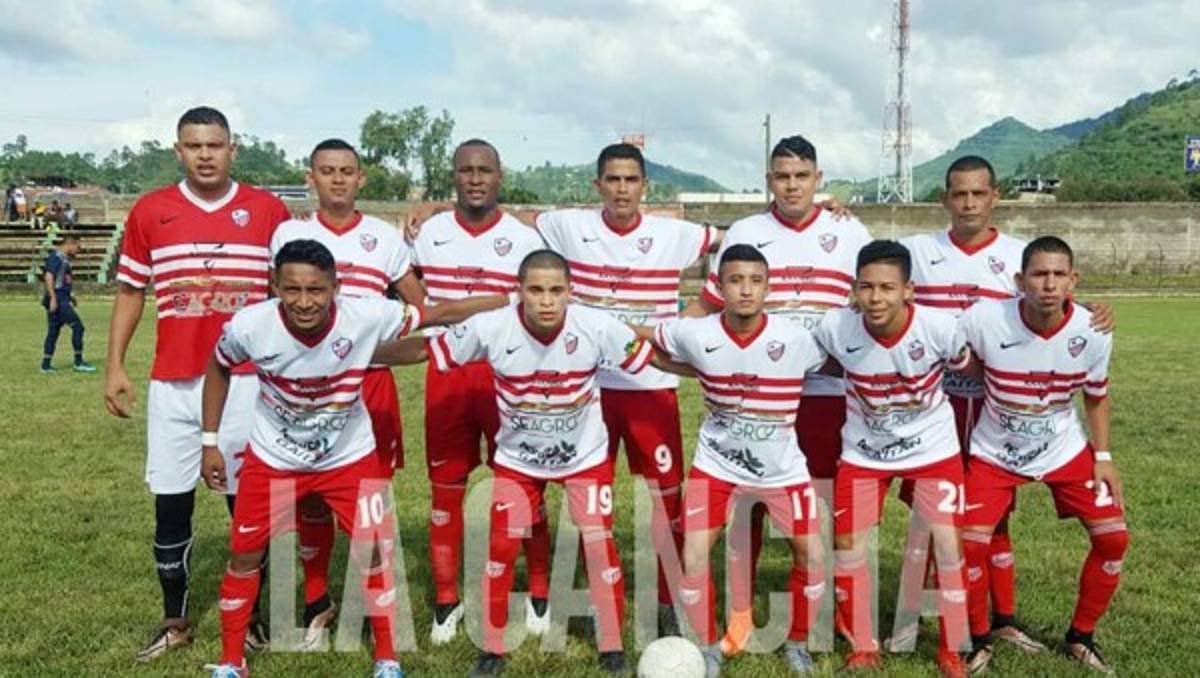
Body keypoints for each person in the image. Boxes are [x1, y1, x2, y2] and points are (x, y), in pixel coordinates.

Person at [269, 137, 512, 648]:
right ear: (310, 177)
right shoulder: (288, 233)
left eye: (347, 171)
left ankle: (375, 603)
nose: (337, 180)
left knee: (370, 498)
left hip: (370, 379)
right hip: (304, 383)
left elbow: (421, 308)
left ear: (362, 179)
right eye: (327, 171)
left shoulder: (384, 238)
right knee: (310, 497)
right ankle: (317, 602)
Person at [372, 249, 651, 676]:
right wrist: (357, 351)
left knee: (599, 544)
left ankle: (611, 644)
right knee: (500, 547)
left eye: (556, 290)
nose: (545, 300)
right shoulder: (491, 326)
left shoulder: (597, 326)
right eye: (535, 290)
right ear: (518, 291)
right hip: (518, 461)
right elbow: (426, 351)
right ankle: (492, 648)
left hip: (584, 457)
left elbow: (652, 357)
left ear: (570, 292)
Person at [896, 156, 1114, 655]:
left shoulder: (1019, 256)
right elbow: (871, 278)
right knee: (934, 516)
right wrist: (836, 211)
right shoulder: (916, 251)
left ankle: (1001, 619)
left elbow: (1054, 302)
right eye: (958, 194)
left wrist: (1098, 311)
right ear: (945, 198)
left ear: (995, 197)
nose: (969, 203)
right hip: (935, 400)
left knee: (992, 517)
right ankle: (930, 609)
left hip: (994, 404)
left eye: (978, 194)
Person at [103, 106, 293, 661]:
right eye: (194, 145)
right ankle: (175, 620)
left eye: (215, 145)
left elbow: (293, 291)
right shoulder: (150, 211)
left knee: (247, 503)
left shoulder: (267, 210)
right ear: (177, 151)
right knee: (171, 501)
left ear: (233, 149)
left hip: (247, 383)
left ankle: (254, 616)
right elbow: (133, 293)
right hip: (174, 384)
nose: (205, 154)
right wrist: (115, 365)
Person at [199, 239, 435, 678]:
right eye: (291, 290)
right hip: (272, 458)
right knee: (244, 555)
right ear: (274, 286)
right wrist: (209, 440)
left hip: (348, 458)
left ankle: (387, 660)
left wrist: (510, 305)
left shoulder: (365, 314)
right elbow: (219, 366)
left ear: (335, 288)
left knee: (375, 553)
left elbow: (437, 316)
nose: (304, 302)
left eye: (316, 291)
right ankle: (232, 663)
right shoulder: (250, 326)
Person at [689, 134, 873, 653]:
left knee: (820, 508)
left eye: (801, 176)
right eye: (781, 176)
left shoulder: (846, 228)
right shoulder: (747, 231)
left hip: (827, 390)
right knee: (745, 503)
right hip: (756, 393)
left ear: (818, 179)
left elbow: (869, 301)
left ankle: (834, 610)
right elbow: (706, 304)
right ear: (769, 180)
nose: (792, 185)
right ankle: (742, 616)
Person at [534, 142, 718, 632]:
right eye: (612, 179)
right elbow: (506, 218)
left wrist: (826, 210)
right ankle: (600, 600)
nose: (621, 189)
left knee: (667, 499)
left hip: (650, 385)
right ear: (598, 185)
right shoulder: (569, 226)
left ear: (644, 186)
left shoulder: (672, 234)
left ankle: (666, 596)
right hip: (589, 388)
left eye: (630, 180)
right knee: (592, 500)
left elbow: (745, 238)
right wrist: (432, 208)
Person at [650, 244, 829, 677]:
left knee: (814, 555)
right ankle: (707, 646)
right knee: (692, 557)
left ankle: (798, 642)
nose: (746, 290)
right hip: (717, 466)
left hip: (782, 468)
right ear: (719, 286)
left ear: (768, 287)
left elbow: (841, 363)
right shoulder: (696, 333)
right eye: (735, 280)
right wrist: (699, 372)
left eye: (755, 281)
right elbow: (647, 343)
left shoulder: (797, 339)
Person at [406, 138, 553, 644]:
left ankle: (538, 592)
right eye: (465, 170)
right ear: (453, 175)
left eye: (484, 170)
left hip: (512, 373)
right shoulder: (427, 234)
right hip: (447, 373)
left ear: (500, 175)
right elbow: (404, 290)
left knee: (525, 486)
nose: (474, 179)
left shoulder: (522, 236)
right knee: (446, 489)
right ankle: (447, 601)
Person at [959, 236, 1125, 674]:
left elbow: (1095, 396)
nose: (1048, 284)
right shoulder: (984, 319)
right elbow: (936, 334)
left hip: (1063, 449)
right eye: (1038, 274)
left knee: (1113, 539)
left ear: (1073, 280)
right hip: (995, 451)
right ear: (1019, 281)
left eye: (1058, 275)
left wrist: (1103, 455)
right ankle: (980, 638)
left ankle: (1081, 637)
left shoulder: (1092, 329)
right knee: (969, 545)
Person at [814, 240, 970, 678]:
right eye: (866, 287)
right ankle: (863, 646)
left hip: (933, 450)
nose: (875, 298)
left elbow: (970, 363)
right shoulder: (834, 328)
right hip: (864, 453)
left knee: (948, 547)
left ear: (909, 290)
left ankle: (950, 650)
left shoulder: (940, 328)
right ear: (854, 290)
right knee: (848, 548)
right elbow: (813, 358)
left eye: (887, 287)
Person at [40, 234, 95, 373]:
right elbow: (49, 276)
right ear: (70, 244)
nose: (78, 251)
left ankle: (45, 365)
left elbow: (62, 280)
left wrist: (71, 296)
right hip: (58, 299)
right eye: (78, 247)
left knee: (53, 332)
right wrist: (53, 298)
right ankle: (78, 362)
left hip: (62, 297)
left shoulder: (63, 259)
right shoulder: (56, 257)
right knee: (78, 327)